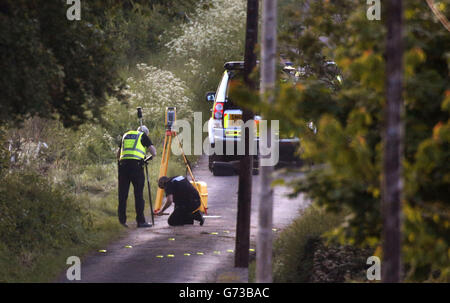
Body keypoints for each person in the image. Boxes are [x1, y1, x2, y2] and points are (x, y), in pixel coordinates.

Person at [117, 125, 156, 228]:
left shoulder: (126, 135)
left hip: (123, 166)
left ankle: (121, 221)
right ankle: (140, 221)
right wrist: (147, 159)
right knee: (138, 195)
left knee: (122, 195)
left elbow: (118, 154)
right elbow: (154, 152)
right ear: (146, 133)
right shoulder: (143, 135)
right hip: (136, 167)